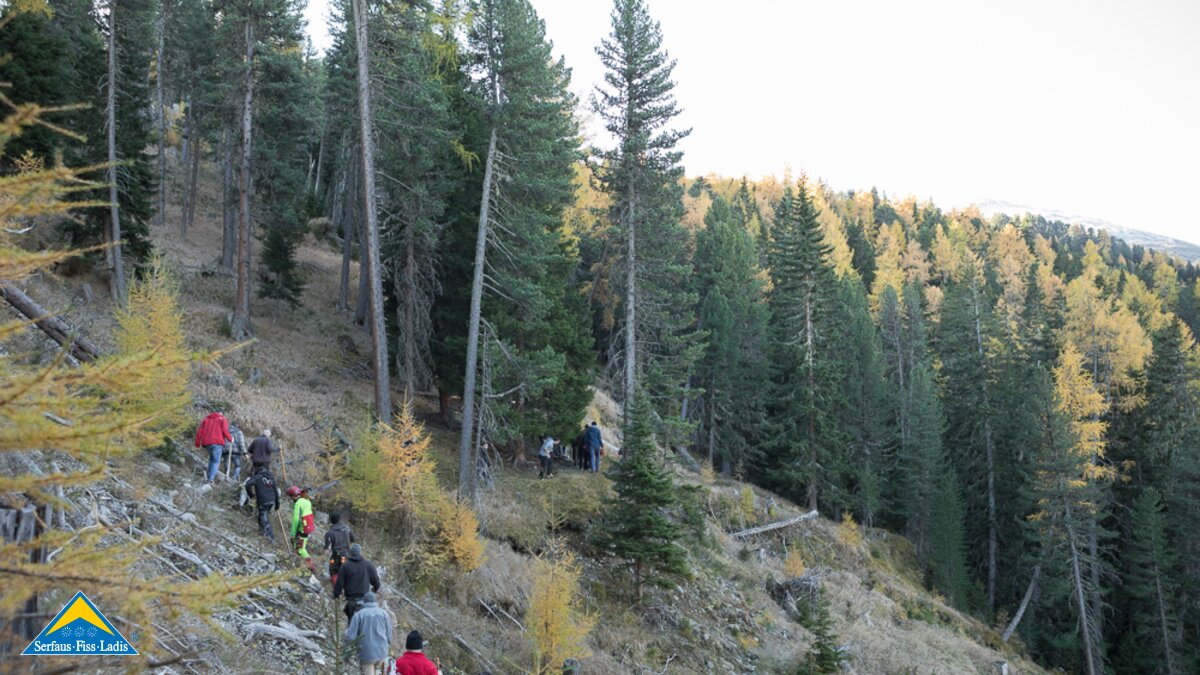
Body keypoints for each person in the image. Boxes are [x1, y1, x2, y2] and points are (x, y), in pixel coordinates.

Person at [344, 591, 393, 675]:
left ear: (364, 602)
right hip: (382, 652)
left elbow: (351, 637)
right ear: (375, 601)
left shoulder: (358, 615)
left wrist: (346, 646)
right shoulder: (384, 614)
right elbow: (389, 635)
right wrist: (388, 644)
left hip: (366, 654)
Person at [333, 543, 381, 621]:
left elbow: (339, 583)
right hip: (364, 600)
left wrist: (336, 595)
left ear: (350, 553)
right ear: (360, 552)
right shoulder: (368, 565)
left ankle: (352, 631)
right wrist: (375, 589)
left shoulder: (345, 566)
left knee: (352, 622)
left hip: (351, 600)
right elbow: (376, 582)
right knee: (363, 623)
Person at [287, 486, 318, 575]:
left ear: (293, 496)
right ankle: (297, 563)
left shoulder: (298, 503)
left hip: (302, 529)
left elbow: (296, 520)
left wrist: (293, 533)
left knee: (300, 549)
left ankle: (311, 566)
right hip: (308, 527)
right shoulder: (307, 501)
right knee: (299, 547)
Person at [194, 411, 232, 483]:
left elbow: (199, 431)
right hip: (217, 442)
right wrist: (230, 439)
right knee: (216, 461)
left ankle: (209, 477)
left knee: (212, 460)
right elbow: (225, 430)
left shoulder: (206, 420)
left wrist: (197, 443)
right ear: (222, 414)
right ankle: (210, 479)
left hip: (207, 443)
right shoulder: (222, 419)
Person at [245, 466, 280, 541]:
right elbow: (276, 492)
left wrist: (250, 494)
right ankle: (261, 533)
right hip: (271, 501)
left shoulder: (257, 477)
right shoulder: (271, 478)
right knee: (261, 517)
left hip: (263, 501)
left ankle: (271, 538)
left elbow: (247, 484)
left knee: (264, 519)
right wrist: (277, 505)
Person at [323, 512, 355, 588]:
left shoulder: (329, 533)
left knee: (333, 572)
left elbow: (327, 549)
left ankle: (337, 592)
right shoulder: (347, 529)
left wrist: (323, 559)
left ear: (331, 521)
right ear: (339, 519)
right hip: (347, 555)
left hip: (335, 557)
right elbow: (353, 539)